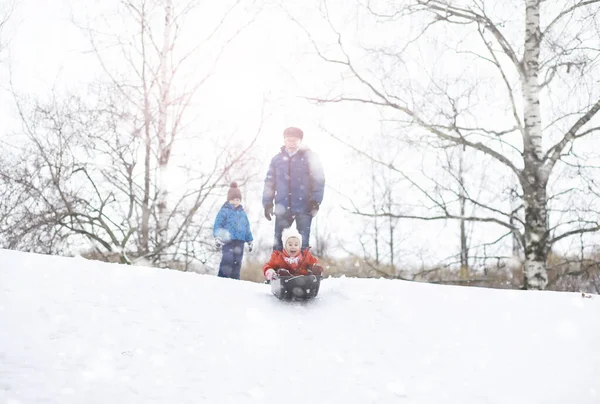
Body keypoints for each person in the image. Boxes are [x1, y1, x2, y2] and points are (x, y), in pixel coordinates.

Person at [262, 126, 325, 251]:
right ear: (284, 141)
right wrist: (268, 204)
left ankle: (302, 269)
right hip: (282, 207)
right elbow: (269, 182)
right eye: (288, 140)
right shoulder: (277, 159)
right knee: (279, 243)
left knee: (302, 243)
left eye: (295, 141)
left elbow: (319, 180)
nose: (291, 143)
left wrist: (315, 201)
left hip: (304, 207)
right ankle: (278, 270)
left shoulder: (310, 157)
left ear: (300, 142)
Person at [213, 182, 253, 279]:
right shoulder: (224, 211)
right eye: (233, 200)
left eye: (238, 200)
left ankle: (235, 279)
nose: (235, 202)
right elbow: (218, 224)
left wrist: (250, 240)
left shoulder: (242, 213)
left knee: (237, 261)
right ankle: (222, 278)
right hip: (228, 240)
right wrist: (218, 237)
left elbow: (246, 227)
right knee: (228, 259)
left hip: (240, 241)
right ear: (229, 200)